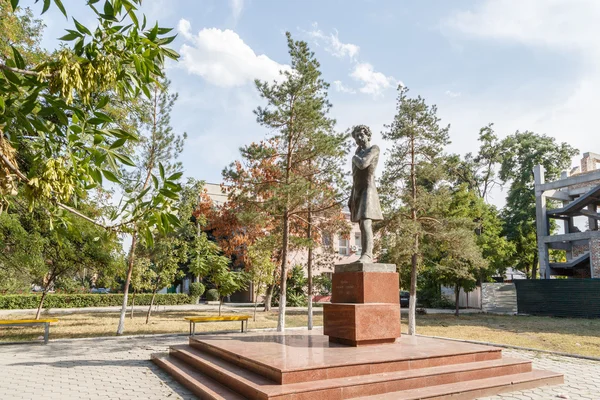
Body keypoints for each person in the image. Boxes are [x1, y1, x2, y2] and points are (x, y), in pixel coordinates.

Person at [348, 125, 383, 263]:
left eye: (361, 134)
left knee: (366, 222)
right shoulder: (359, 153)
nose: (358, 138)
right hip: (358, 191)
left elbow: (363, 164)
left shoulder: (373, 149)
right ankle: (364, 253)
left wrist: (354, 158)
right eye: (356, 136)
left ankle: (368, 255)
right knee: (361, 224)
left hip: (368, 190)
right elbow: (355, 178)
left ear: (368, 135)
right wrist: (351, 196)